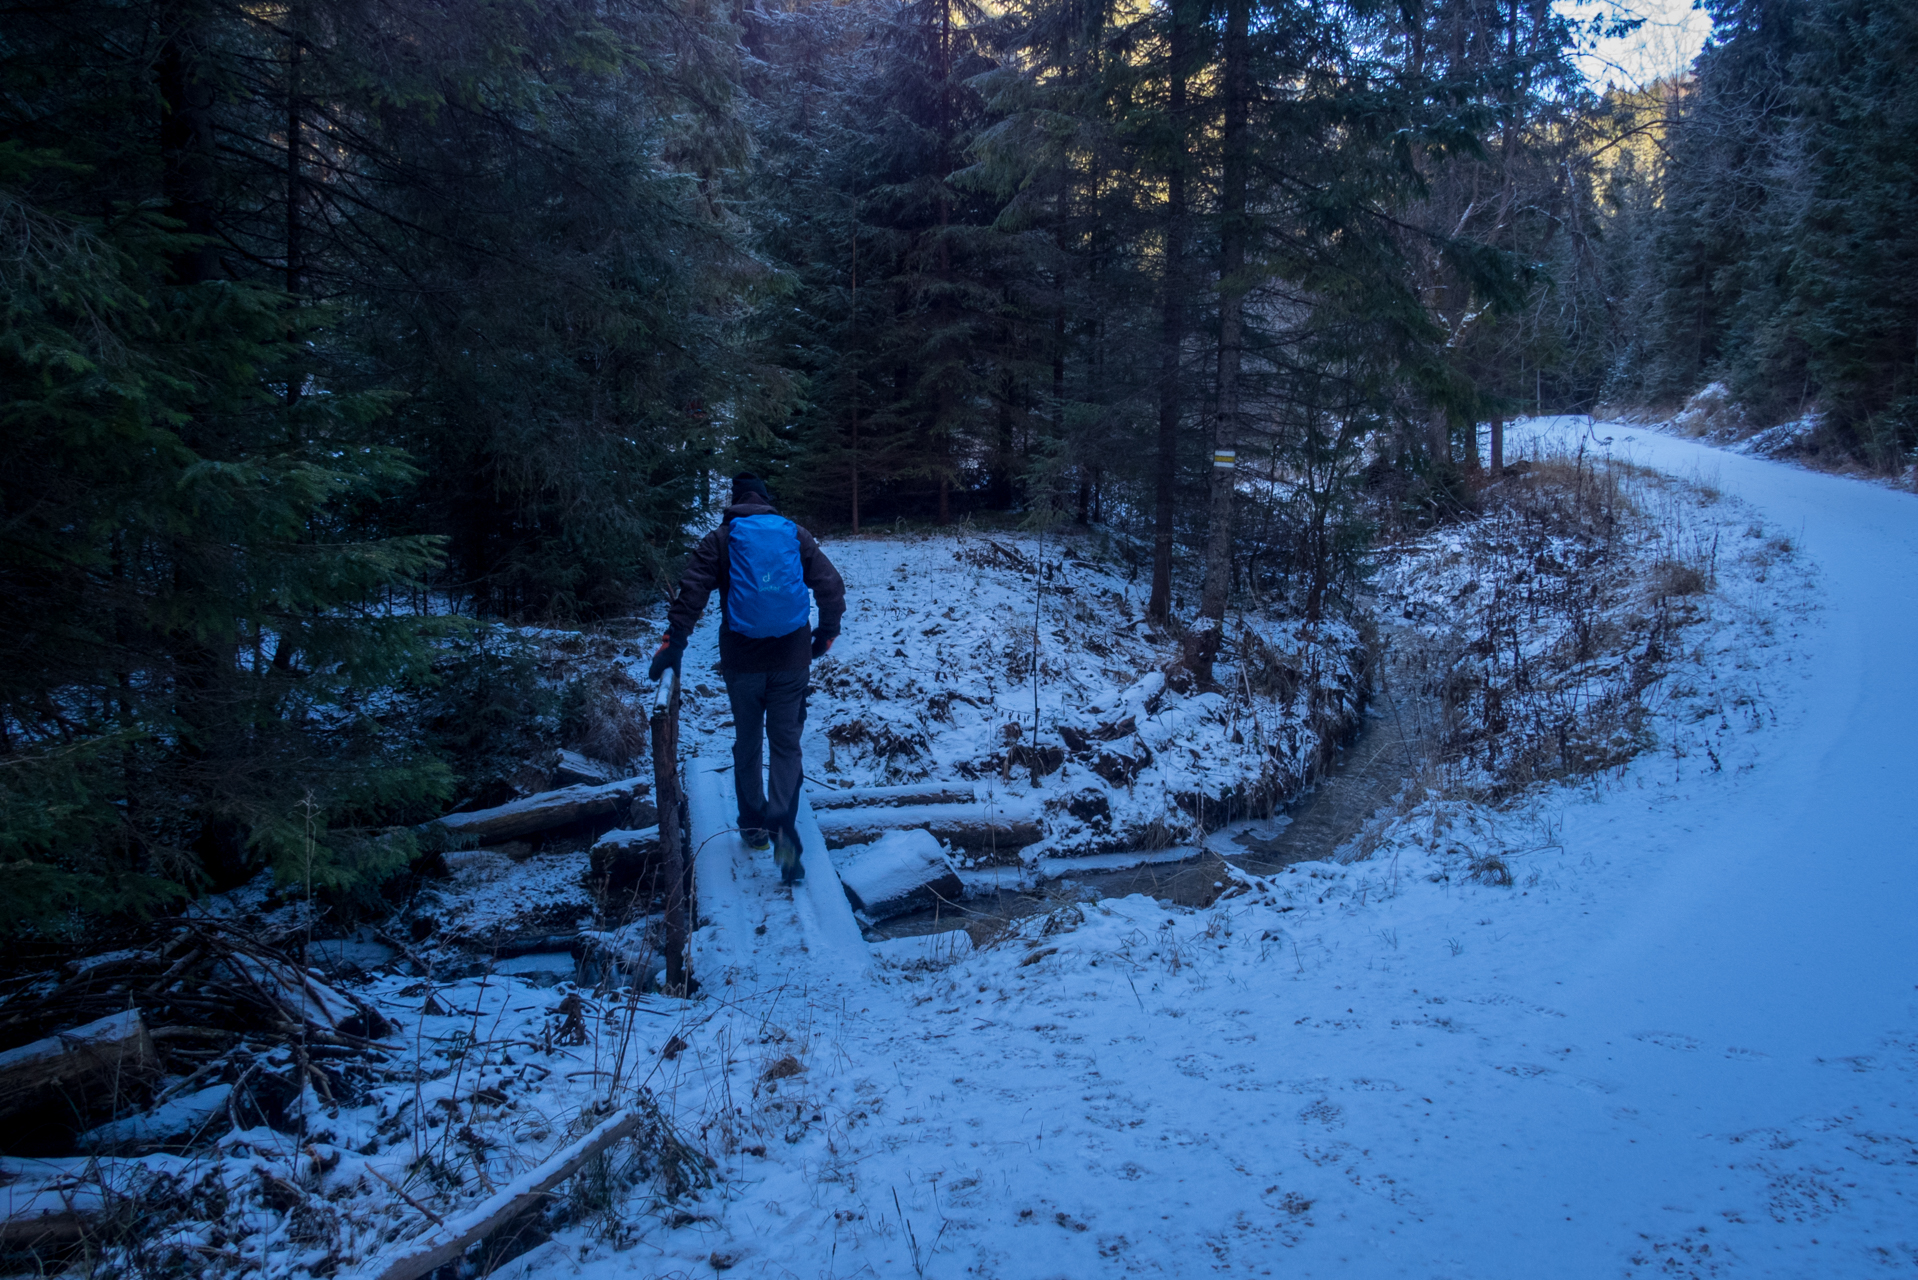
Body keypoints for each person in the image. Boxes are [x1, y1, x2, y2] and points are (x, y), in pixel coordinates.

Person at [648, 474, 845, 883]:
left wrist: (674, 645)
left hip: (741, 661)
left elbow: (692, 593)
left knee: (749, 739)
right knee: (787, 743)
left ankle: (754, 827)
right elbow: (830, 585)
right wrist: (824, 634)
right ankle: (784, 830)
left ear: (735, 501)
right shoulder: (795, 534)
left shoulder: (719, 539)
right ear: (767, 501)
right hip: (792, 658)